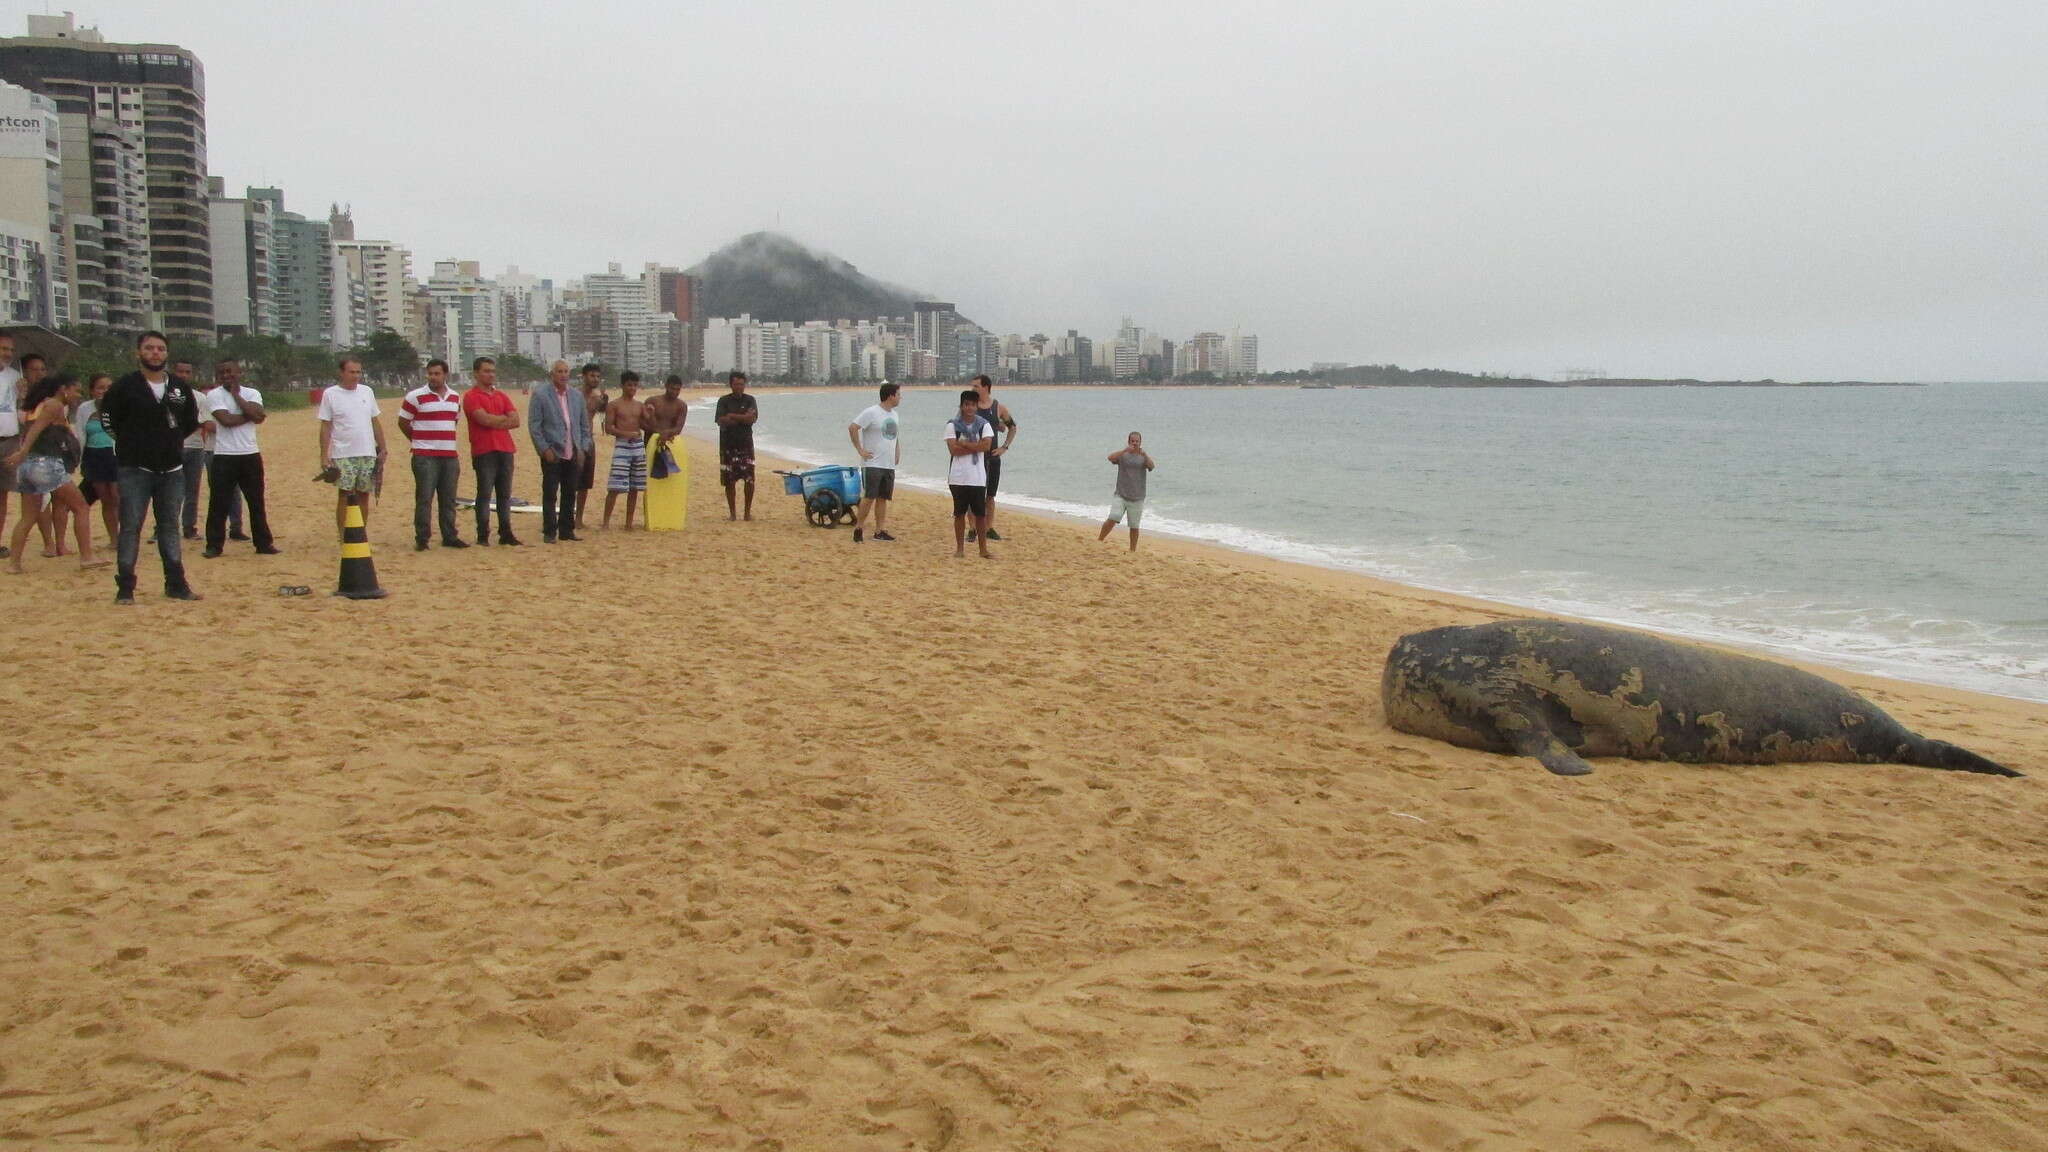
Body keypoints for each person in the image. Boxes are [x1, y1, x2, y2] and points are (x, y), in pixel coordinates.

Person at [99, 330, 202, 603]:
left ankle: (176, 584)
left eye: (160, 349)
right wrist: (132, 443)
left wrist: (172, 441)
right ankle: (125, 587)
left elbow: (190, 421)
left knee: (169, 526)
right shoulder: (124, 387)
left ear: (166, 353)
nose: (155, 353)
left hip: (171, 468)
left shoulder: (179, 387)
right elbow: (108, 420)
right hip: (135, 468)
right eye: (149, 348)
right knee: (131, 526)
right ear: (138, 352)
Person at [3, 375, 107, 573]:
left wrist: (24, 454)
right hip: (46, 465)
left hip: (28, 467)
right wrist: (23, 450)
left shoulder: (35, 405)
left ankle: (14, 564)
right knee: (81, 507)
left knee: (28, 517)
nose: (78, 395)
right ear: (63, 389)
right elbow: (37, 429)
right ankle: (87, 556)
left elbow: (31, 428)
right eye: (76, 390)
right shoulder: (54, 405)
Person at [201, 359, 279, 557]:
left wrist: (237, 397)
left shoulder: (252, 393)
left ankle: (263, 543)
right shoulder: (213, 395)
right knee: (219, 503)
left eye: (230, 371)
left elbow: (258, 417)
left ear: (239, 372)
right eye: (222, 372)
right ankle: (214, 545)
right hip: (224, 456)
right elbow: (225, 421)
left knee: (256, 502)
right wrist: (252, 415)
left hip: (249, 454)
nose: (226, 375)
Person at [398, 358, 467, 550]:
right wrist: (418, 440)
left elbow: (454, 421)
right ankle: (422, 537)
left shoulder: (454, 397)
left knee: (448, 498)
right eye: (430, 373)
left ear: (445, 375)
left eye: (437, 373)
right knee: (424, 498)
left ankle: (450, 536)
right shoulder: (415, 396)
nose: (433, 377)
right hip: (425, 455)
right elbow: (403, 422)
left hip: (449, 455)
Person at [317, 357, 387, 539]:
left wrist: (383, 448)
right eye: (351, 372)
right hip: (343, 453)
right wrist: (324, 455)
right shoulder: (330, 394)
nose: (356, 376)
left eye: (358, 372)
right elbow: (325, 426)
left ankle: (360, 533)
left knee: (364, 494)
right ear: (342, 373)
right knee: (345, 494)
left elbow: (375, 421)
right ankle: (343, 534)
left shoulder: (367, 392)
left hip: (367, 452)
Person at [175, 358, 239, 542]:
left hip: (195, 447)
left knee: (192, 492)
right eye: (181, 372)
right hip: (173, 448)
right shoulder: (164, 395)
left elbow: (204, 423)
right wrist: (235, 423)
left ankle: (189, 527)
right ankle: (163, 529)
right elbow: (206, 423)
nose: (184, 376)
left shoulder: (201, 398)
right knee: (170, 492)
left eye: (188, 372)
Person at [529, 359, 592, 542]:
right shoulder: (541, 395)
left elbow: (583, 425)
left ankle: (567, 530)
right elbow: (535, 426)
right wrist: (544, 449)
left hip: (572, 451)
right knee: (550, 493)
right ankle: (549, 531)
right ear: (552, 374)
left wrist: (583, 447)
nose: (563, 375)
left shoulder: (576, 396)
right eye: (559, 371)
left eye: (566, 371)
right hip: (552, 452)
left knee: (570, 492)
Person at [462, 356, 522, 546]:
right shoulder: (471, 396)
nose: (490, 375)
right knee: (485, 493)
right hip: (484, 450)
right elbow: (482, 419)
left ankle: (506, 533)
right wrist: (502, 420)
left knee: (505, 495)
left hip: (505, 449)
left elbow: (516, 420)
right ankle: (483, 534)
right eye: (486, 371)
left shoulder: (501, 395)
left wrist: (495, 420)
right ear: (476, 373)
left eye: (492, 371)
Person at [944, 388, 995, 559]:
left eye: (973, 405)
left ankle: (983, 550)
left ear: (977, 406)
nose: (970, 408)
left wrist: (965, 444)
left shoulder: (984, 425)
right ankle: (960, 549)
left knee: (980, 515)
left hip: (978, 477)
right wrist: (975, 445)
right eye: (967, 405)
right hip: (958, 477)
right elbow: (953, 450)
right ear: (961, 405)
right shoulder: (952, 425)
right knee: (959, 514)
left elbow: (986, 446)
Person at [848, 383, 902, 543]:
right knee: (869, 496)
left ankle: (880, 531)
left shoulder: (895, 415)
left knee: (883, 498)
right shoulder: (871, 412)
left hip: (888, 463)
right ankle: (858, 528)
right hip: (873, 463)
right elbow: (852, 428)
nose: (900, 398)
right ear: (890, 396)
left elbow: (895, 436)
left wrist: (897, 452)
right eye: (898, 394)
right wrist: (860, 450)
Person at [967, 374, 1017, 542]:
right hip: (974, 458)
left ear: (986, 387)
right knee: (973, 495)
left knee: (990, 496)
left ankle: (989, 528)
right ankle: (972, 529)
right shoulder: (968, 406)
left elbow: (1013, 428)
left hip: (993, 458)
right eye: (972, 386)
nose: (972, 389)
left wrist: (1005, 447)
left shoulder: (998, 408)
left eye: (976, 386)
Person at [75, 373, 119, 547]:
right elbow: (80, 434)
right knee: (105, 499)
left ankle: (125, 535)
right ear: (92, 390)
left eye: (109, 387)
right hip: (94, 456)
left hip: (115, 455)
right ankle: (114, 539)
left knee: (117, 497)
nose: (105, 391)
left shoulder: (120, 406)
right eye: (100, 387)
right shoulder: (84, 409)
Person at [602, 370, 648, 530]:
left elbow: (647, 424)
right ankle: (606, 522)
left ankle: (628, 523)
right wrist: (626, 434)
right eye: (629, 385)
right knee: (615, 486)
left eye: (635, 385)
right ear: (622, 385)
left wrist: (650, 414)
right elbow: (608, 428)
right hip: (622, 445)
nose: (632, 388)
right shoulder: (614, 405)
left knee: (635, 487)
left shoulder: (639, 405)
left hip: (637, 446)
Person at [1098, 432, 1156, 552]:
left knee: (1134, 526)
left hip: (1137, 497)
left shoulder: (1143, 457)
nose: (1135, 443)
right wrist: (1125, 450)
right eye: (1132, 441)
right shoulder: (1123, 455)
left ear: (1140, 442)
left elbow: (1152, 466)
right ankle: (1099, 540)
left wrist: (1145, 455)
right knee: (1113, 517)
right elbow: (1110, 457)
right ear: (1129, 442)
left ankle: (1132, 550)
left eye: (1137, 441)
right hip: (1121, 494)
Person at [714, 370, 758, 521]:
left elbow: (751, 419)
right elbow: (721, 421)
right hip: (728, 445)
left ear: (745, 385)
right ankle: (732, 513)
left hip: (746, 445)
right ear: (731, 385)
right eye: (736, 384)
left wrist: (732, 416)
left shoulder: (750, 400)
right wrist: (742, 418)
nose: (739, 387)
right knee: (729, 481)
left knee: (750, 480)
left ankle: (747, 513)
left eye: (741, 384)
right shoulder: (723, 401)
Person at [576, 363, 608, 529]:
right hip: (573, 440)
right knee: (569, 480)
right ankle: (567, 516)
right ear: (584, 376)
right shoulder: (574, 395)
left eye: (597, 376)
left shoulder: (597, 397)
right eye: (591, 376)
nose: (595, 379)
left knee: (585, 482)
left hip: (588, 440)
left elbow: (605, 413)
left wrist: (605, 402)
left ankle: (578, 519)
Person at [0, 330, 18, 557]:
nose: (8, 353)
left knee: (3, 495)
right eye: (4, 348)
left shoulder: (15, 376)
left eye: (11, 350)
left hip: (9, 440)